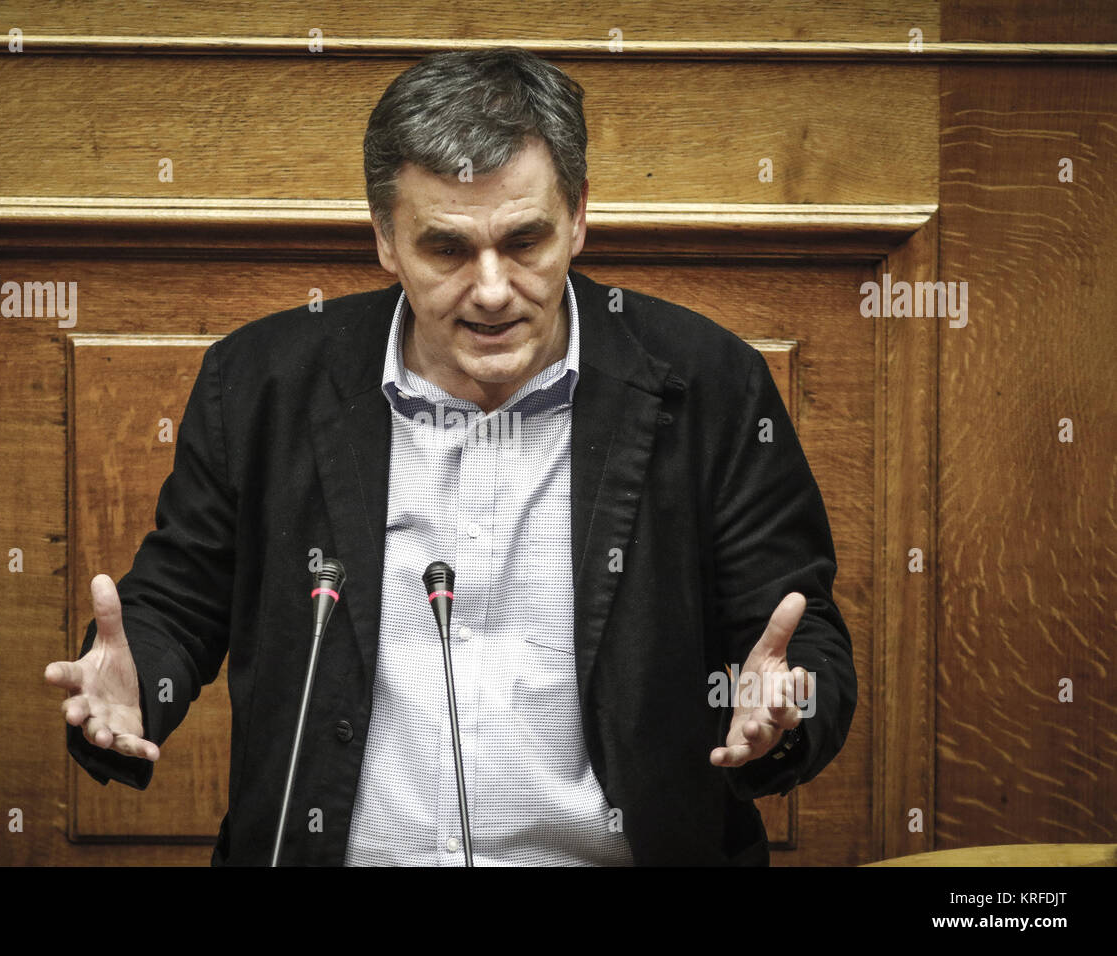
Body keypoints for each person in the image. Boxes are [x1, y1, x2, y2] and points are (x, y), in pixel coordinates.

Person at [45, 46, 856, 866]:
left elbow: (796, 634)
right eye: (448, 249)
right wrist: (140, 683)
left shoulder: (709, 386)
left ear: (577, 217)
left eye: (526, 240)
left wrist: (787, 707)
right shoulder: (261, 385)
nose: (494, 289)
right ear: (385, 241)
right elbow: (175, 606)